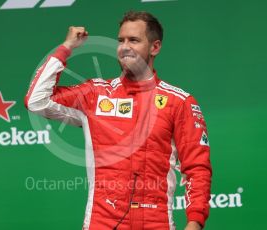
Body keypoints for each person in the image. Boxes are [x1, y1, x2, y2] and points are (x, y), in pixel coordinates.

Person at [25, 11, 211, 230]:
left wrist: (195, 222)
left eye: (134, 40)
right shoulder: (95, 95)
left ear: (155, 47)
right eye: (120, 40)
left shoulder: (179, 102)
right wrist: (66, 47)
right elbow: (36, 100)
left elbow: (197, 168)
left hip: (156, 223)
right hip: (101, 223)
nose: (124, 47)